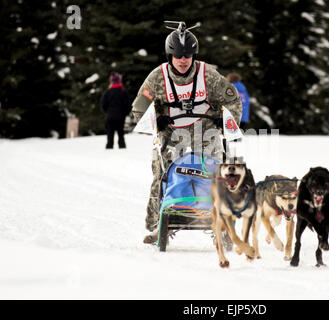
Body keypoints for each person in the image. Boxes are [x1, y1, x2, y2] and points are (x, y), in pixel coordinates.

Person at [131, 21, 242, 244]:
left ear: (193, 55)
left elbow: (233, 101)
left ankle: (221, 223)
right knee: (161, 173)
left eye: (187, 56)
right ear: (169, 56)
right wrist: (156, 123)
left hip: (205, 128)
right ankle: (157, 224)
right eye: (178, 56)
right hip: (172, 131)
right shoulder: (157, 77)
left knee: (214, 170)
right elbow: (139, 108)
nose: (183, 61)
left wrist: (226, 121)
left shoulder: (208, 75)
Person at [100, 72, 131, 149]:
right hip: (121, 116)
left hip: (110, 116)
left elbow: (103, 105)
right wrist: (125, 113)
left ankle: (109, 148)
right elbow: (127, 104)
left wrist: (108, 112)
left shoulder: (108, 92)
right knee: (121, 134)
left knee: (110, 134)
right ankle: (122, 147)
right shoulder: (123, 91)